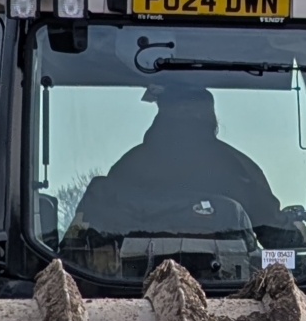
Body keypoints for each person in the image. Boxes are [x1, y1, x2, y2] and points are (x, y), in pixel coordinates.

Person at [75, 85, 286, 236]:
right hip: (226, 286)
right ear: (210, 117)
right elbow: (274, 234)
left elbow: (84, 236)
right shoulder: (239, 169)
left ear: (162, 114)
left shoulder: (128, 166)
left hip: (121, 288)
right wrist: (298, 240)